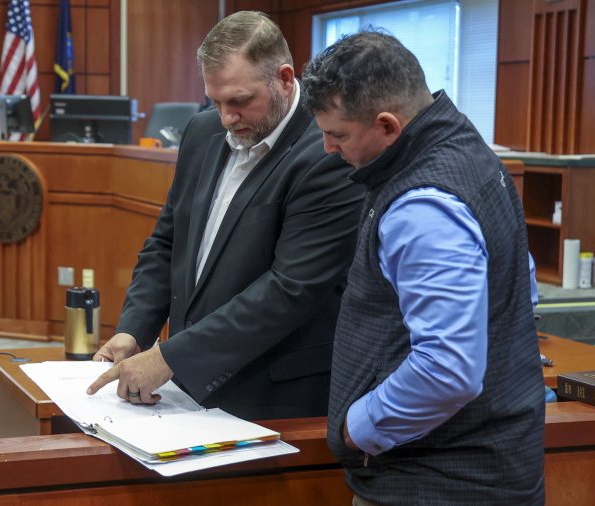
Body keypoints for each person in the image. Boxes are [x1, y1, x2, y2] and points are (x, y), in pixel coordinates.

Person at [300, 30, 545, 505]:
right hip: (485, 468)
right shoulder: (465, 147)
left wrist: (359, 427)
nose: (329, 149)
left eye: (338, 134)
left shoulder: (421, 208)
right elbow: (523, 281)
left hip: (436, 480)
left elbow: (448, 371)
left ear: (389, 125)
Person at [84, 11, 364, 421]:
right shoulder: (201, 132)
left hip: (273, 395)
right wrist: (134, 330)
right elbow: (167, 243)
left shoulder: (327, 150)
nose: (227, 118)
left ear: (285, 79)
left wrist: (172, 356)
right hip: (185, 385)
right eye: (215, 102)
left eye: (240, 101)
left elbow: (290, 289)